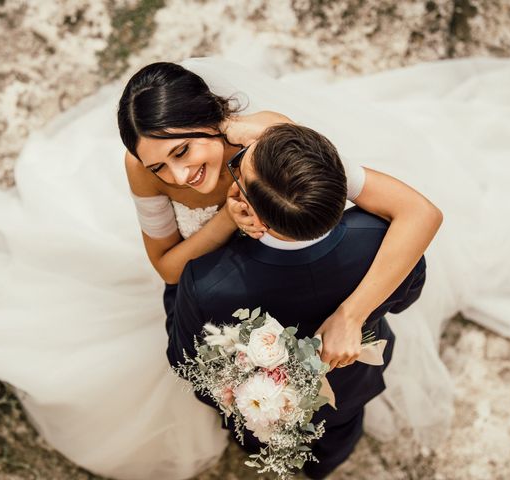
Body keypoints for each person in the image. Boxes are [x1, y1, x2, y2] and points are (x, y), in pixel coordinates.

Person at [0, 55, 510, 480]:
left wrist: (349, 308)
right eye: (158, 165)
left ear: (213, 124)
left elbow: (372, 201)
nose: (176, 177)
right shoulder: (144, 172)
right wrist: (228, 219)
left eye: (184, 151)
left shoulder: (269, 137)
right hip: (209, 263)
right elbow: (169, 267)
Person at [165, 123, 427, 478]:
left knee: (260, 442)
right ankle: (329, 465)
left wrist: (175, 294)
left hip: (263, 411)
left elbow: (185, 360)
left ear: (251, 211)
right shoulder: (383, 236)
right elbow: (405, 297)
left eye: (238, 164)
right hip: (354, 384)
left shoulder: (208, 283)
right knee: (342, 428)